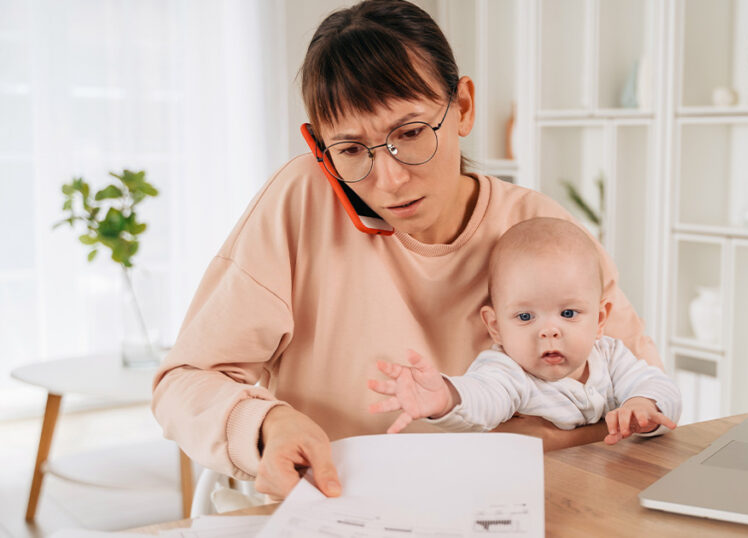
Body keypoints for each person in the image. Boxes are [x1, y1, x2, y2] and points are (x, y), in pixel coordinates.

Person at [151, 0, 665, 501]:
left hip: (511, 510)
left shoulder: (539, 228)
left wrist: (546, 439)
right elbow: (184, 381)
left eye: (412, 132)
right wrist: (268, 423)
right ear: (322, 149)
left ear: (463, 107)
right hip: (341, 509)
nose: (391, 178)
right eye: (351, 150)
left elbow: (645, 400)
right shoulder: (301, 202)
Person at [367, 218, 680, 444]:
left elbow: (660, 387)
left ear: (600, 319)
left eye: (568, 313)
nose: (549, 331)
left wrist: (643, 405)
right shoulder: (508, 371)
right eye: (526, 316)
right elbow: (482, 399)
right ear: (495, 327)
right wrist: (447, 397)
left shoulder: (610, 356)